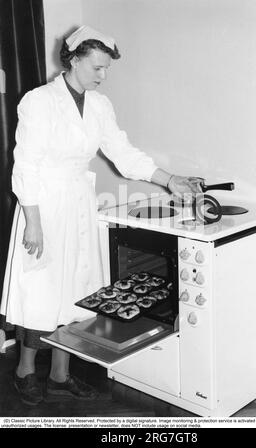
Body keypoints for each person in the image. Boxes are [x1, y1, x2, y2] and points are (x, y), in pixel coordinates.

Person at [0, 25, 198, 406]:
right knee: (40, 291)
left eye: (107, 68)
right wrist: (34, 224)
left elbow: (123, 154)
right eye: (97, 67)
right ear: (74, 60)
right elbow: (25, 167)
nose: (103, 75)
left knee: (76, 291)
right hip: (42, 206)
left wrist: (169, 179)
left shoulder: (100, 106)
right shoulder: (38, 101)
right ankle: (26, 370)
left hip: (80, 202)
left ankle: (60, 376)